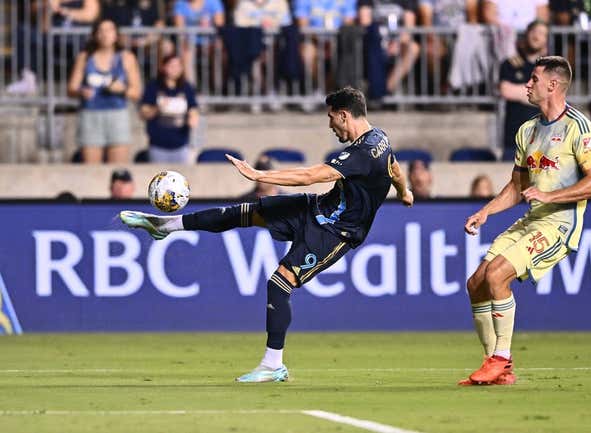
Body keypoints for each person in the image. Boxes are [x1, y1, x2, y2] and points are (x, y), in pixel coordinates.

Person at [119, 86, 414, 382]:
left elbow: (310, 176)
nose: (330, 126)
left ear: (343, 115)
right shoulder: (379, 139)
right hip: (316, 208)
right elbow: (394, 168)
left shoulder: (359, 153)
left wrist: (259, 175)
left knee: (279, 284)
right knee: (241, 213)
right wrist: (405, 191)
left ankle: (273, 365)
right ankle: (165, 227)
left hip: (336, 231)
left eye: (330, 118)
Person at [460, 56, 591, 386]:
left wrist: (550, 196)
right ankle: (495, 365)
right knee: (476, 283)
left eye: (533, 79)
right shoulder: (527, 130)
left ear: (552, 85)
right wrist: (486, 212)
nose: (527, 84)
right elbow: (517, 186)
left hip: (559, 224)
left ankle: (501, 359)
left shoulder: (579, 129)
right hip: (532, 219)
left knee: (498, 275)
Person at [68, 19, 142, 163]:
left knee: (118, 170)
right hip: (90, 115)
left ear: (116, 35)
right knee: (92, 170)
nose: (105, 34)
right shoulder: (84, 57)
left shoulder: (127, 58)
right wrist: (81, 91)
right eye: (101, 30)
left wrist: (122, 89)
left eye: (109, 30)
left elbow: (136, 92)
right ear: (95, 34)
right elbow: (71, 88)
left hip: (117, 115)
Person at [499, 20, 548, 158]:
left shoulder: (550, 67)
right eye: (534, 32)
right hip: (514, 138)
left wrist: (520, 93)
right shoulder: (510, 64)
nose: (536, 36)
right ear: (526, 34)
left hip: (543, 140)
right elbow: (506, 91)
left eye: (542, 34)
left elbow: (551, 96)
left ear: (546, 40)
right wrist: (538, 95)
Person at [140, 54, 199, 164]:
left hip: (181, 144)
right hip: (158, 145)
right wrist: (158, 108)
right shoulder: (153, 86)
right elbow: (143, 113)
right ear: (163, 67)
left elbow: (193, 110)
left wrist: (193, 119)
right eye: (171, 66)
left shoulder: (186, 87)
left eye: (178, 66)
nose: (175, 69)